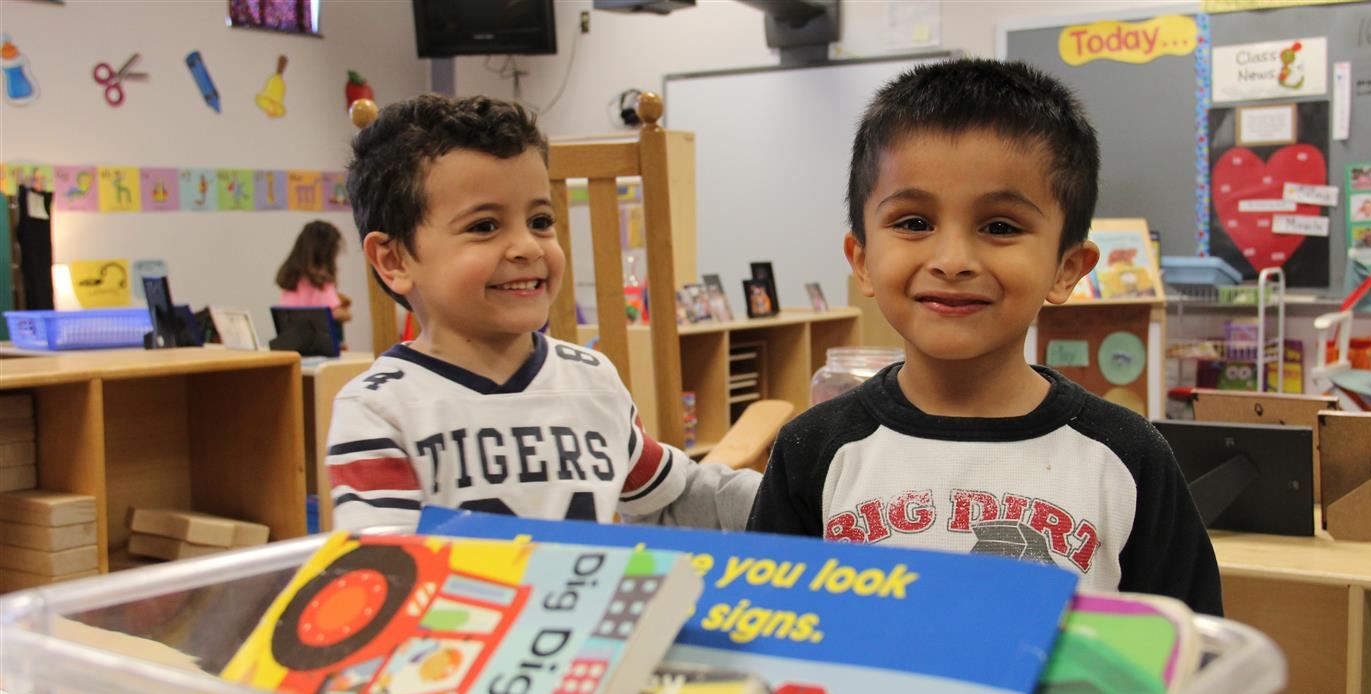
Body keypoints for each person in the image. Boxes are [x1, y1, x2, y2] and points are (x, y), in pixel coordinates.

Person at [747, 59, 1222, 615]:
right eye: (913, 222)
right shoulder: (813, 450)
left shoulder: (1127, 457)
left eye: (1000, 227)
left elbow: (1189, 657)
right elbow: (766, 637)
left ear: (1067, 267)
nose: (952, 261)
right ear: (863, 260)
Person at [329, 94, 756, 532]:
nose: (529, 247)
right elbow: (384, 571)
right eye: (484, 226)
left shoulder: (592, 381)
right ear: (394, 260)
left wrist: (801, 497)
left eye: (540, 221)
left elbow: (674, 496)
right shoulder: (379, 408)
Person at [275, 220, 353, 324]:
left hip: (293, 337)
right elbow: (334, 313)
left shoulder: (291, 278)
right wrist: (347, 315)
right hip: (317, 338)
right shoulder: (320, 281)